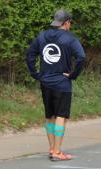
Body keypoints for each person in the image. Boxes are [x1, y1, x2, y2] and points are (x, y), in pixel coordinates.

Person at [25, 9, 86, 160]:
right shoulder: (70, 38)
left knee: (49, 116)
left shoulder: (42, 36)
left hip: (45, 82)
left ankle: (52, 149)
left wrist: (35, 73)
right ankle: (58, 152)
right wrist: (73, 75)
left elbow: (29, 55)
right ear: (66, 23)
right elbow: (81, 57)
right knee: (61, 116)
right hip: (62, 83)